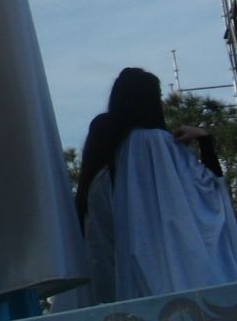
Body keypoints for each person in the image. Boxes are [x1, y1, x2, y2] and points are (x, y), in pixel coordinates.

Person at [76, 67, 237, 301]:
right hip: (184, 280)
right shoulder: (158, 145)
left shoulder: (106, 170)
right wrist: (204, 140)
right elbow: (208, 196)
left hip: (135, 283)